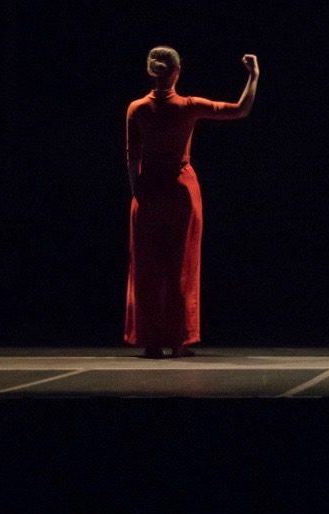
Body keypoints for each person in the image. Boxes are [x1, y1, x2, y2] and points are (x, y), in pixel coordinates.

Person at [124, 46, 258, 359]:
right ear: (177, 72)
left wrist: (138, 193)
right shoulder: (189, 106)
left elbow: (132, 159)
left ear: (150, 72)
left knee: (148, 266)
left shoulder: (136, 108)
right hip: (182, 192)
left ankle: (152, 342)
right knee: (181, 265)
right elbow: (240, 109)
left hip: (149, 192)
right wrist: (254, 75)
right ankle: (178, 341)